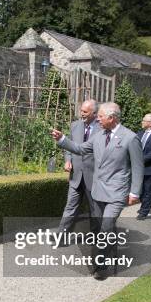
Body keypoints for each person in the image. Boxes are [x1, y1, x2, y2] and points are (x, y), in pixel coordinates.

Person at [51, 102, 144, 280]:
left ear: (112, 118)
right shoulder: (99, 135)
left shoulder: (130, 138)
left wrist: (135, 193)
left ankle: (101, 266)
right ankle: (107, 252)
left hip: (117, 192)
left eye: (100, 116)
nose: (98, 120)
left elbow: (138, 167)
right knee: (103, 227)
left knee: (106, 227)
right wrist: (62, 139)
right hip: (98, 191)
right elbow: (79, 149)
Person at [58, 99, 100, 234]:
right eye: (81, 110)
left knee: (95, 210)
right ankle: (61, 236)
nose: (81, 114)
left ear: (94, 113)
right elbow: (69, 147)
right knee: (70, 206)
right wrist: (68, 160)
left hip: (93, 177)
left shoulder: (102, 129)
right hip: (76, 175)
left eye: (85, 112)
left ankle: (95, 237)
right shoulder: (74, 125)